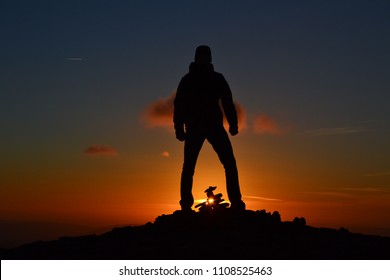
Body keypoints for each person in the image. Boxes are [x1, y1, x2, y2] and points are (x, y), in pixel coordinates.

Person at [173, 45, 245, 212]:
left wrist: (233, 124)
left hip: (212, 126)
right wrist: (179, 128)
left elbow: (227, 102)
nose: (204, 59)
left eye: (206, 56)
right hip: (196, 127)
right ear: (198, 58)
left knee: (229, 163)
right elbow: (179, 105)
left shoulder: (214, 78)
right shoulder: (189, 80)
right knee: (189, 167)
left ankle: (236, 202)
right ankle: (185, 205)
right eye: (202, 56)